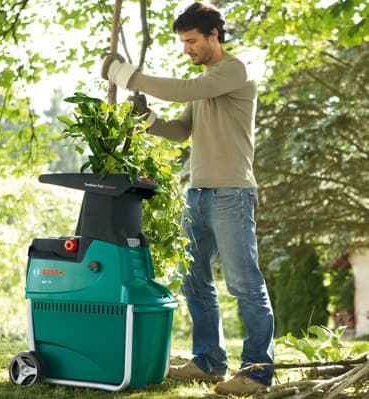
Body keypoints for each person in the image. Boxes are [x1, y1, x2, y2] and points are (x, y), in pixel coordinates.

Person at [100, 2, 274, 396]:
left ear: (214, 35)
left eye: (192, 41)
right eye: (182, 43)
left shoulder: (234, 70)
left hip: (231, 192)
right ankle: (209, 361)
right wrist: (148, 121)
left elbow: (185, 90)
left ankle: (258, 372)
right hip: (197, 193)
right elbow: (182, 131)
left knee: (244, 283)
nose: (187, 50)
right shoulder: (206, 80)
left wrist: (123, 74)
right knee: (195, 282)